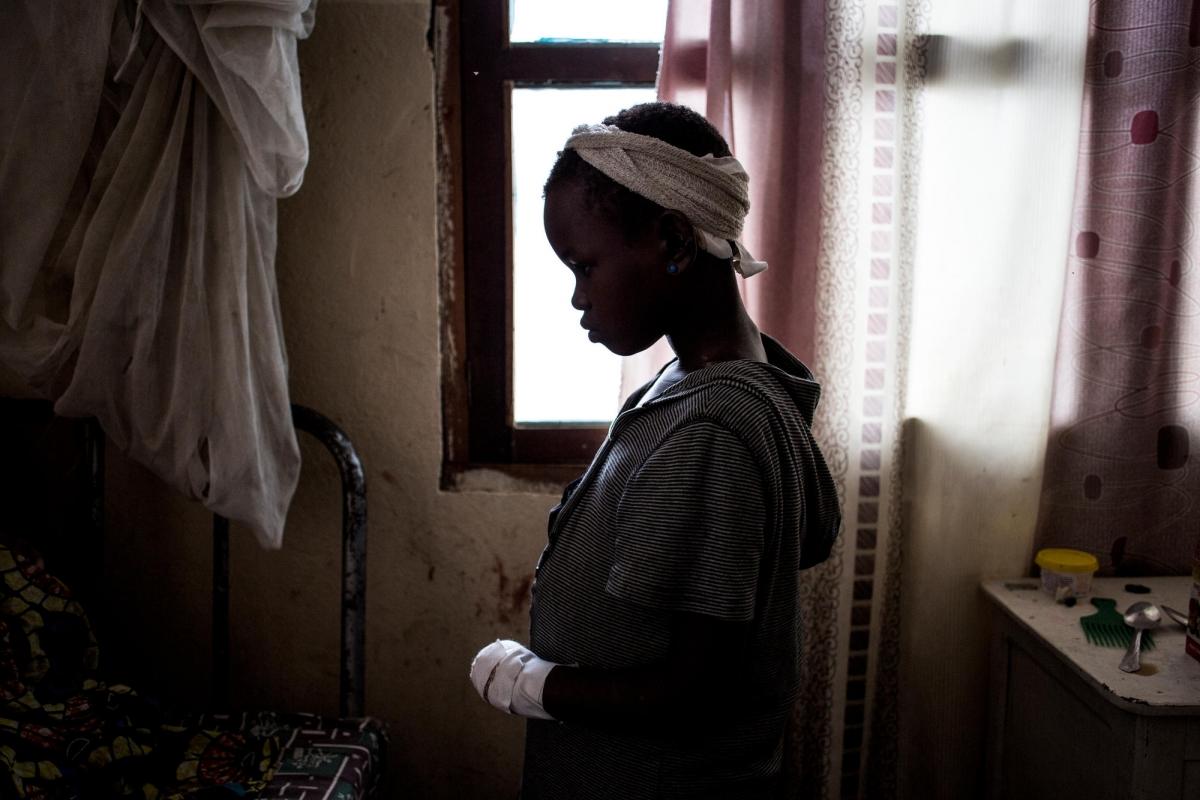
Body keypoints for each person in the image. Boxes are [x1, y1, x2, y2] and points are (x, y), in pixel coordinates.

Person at [469, 102, 841, 799]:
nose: (578, 296)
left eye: (585, 265)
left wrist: (534, 684)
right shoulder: (718, 385)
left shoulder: (712, 430)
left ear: (673, 243)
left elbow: (695, 692)